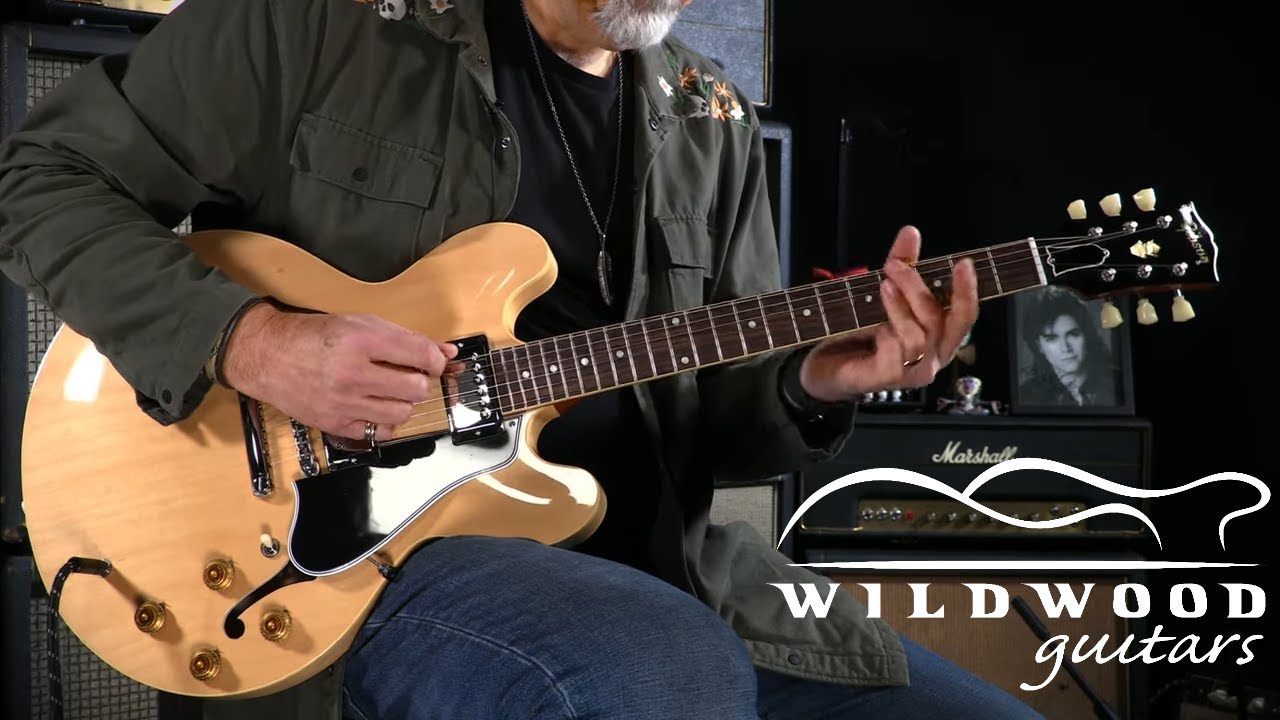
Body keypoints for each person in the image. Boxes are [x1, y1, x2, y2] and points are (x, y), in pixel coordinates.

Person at [0, 0, 1044, 717]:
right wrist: (252, 341)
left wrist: (817, 380)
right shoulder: (316, 24)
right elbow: (39, 179)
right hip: (360, 566)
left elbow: (714, 421)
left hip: (669, 570)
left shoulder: (708, 115)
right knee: (659, 664)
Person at [1018, 287, 1117, 407]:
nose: (1065, 348)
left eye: (1073, 334)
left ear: (1086, 335)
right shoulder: (1026, 396)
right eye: (1052, 338)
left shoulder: (1117, 383)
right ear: (1039, 346)